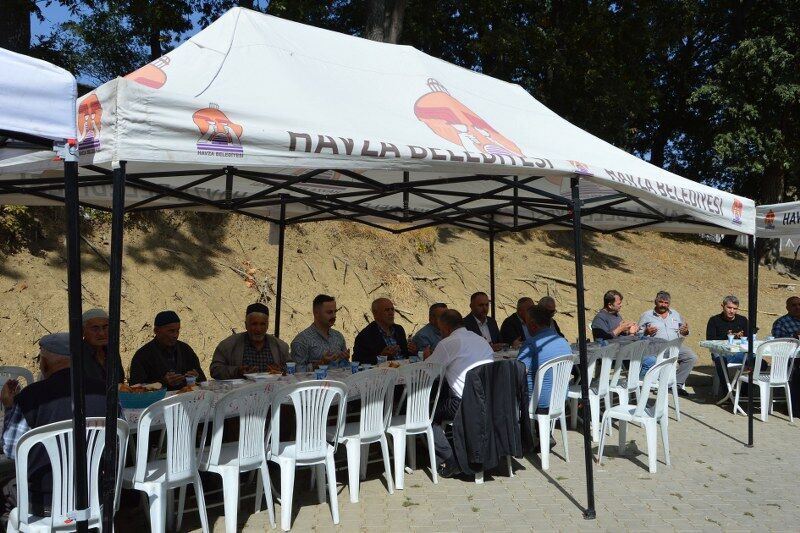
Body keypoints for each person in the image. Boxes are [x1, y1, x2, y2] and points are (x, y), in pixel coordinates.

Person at [1, 333, 109, 518]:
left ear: (44, 363)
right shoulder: (105, 391)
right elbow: (115, 440)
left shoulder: (30, 397)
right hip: (94, 498)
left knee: (5, 488)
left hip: (44, 502)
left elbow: (11, 450)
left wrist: (9, 407)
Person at [423, 310, 494, 478]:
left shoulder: (448, 343)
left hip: (463, 403)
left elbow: (427, 372)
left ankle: (450, 459)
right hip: (488, 400)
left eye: (440, 330)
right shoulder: (480, 340)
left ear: (446, 328)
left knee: (424, 416)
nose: (440, 333)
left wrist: (427, 357)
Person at [638, 291, 698, 395]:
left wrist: (685, 331)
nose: (663, 305)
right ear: (655, 301)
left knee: (691, 357)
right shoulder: (647, 315)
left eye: (666, 303)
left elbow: (684, 330)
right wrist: (646, 332)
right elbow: (638, 334)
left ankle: (676, 385)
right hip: (655, 347)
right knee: (650, 360)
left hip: (675, 346)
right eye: (661, 302)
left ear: (669, 304)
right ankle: (648, 383)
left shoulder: (675, 314)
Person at [210, 303, 291, 379]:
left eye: (262, 324)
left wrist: (281, 371)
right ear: (246, 325)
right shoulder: (228, 345)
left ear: (267, 326)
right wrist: (237, 371)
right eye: (254, 324)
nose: (258, 329)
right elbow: (215, 370)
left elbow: (292, 368)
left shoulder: (280, 346)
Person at [129, 311, 206, 390]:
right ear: (156, 330)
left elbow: (203, 381)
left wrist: (196, 377)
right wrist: (163, 382)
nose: (175, 335)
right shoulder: (143, 355)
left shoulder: (185, 350)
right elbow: (135, 389)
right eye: (171, 331)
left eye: (177, 331)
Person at [517, 305, 572, 410]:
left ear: (533, 324)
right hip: (560, 399)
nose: (525, 325)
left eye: (526, 323)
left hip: (536, 403)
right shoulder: (564, 342)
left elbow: (517, 374)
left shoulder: (531, 344)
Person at [291, 294, 350, 371]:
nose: (334, 316)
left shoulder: (338, 336)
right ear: (316, 313)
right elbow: (297, 371)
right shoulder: (302, 341)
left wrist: (345, 359)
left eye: (335, 311)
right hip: (316, 379)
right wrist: (320, 364)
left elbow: (345, 367)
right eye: (329, 312)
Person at [353, 298, 415, 365]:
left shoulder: (399, 329)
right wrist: (381, 357)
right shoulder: (365, 336)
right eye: (387, 310)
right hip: (383, 370)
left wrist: (412, 351)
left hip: (405, 367)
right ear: (376, 314)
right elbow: (357, 361)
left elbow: (405, 354)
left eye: (392, 309)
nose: (391, 313)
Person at [82, 308, 125, 384]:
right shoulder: (78, 355)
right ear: (83, 331)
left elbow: (119, 381)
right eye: (95, 329)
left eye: (105, 327)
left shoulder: (112, 352)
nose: (101, 333)